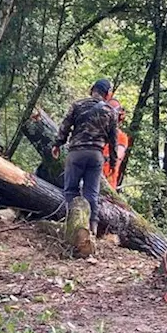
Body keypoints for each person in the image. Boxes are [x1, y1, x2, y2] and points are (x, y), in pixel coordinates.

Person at [53, 78, 119, 232]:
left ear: (92, 89)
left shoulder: (78, 105)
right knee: (91, 192)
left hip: (76, 153)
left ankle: (72, 226)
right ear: (108, 94)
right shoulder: (110, 112)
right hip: (96, 155)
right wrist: (114, 163)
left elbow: (65, 127)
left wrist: (57, 144)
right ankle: (92, 227)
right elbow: (114, 141)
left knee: (71, 190)